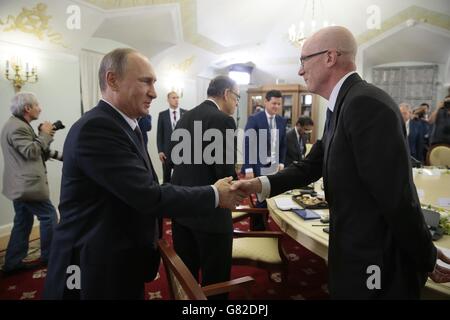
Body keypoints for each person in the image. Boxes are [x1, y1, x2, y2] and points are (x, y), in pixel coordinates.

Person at [232, 26, 450, 299]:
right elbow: (310, 166)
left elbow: (396, 197)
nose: (300, 71)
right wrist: (258, 184)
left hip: (374, 260)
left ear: (330, 57)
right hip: (351, 250)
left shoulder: (366, 104)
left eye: (303, 60)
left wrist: (426, 256)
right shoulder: (343, 105)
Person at [43, 48, 242, 300]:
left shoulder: (127, 125)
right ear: (112, 80)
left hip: (119, 260)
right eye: (145, 81)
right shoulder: (97, 127)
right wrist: (215, 194)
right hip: (93, 270)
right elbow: (148, 195)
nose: (154, 92)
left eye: (154, 82)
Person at [170, 75, 239, 299]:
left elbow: (174, 161)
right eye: (237, 97)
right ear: (227, 94)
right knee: (216, 283)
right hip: (212, 216)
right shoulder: (224, 120)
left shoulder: (184, 117)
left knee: (188, 281)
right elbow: (225, 174)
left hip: (182, 211)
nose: (236, 103)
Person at [1, 92, 58, 274]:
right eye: (37, 105)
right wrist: (44, 134)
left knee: (23, 222)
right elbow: (31, 152)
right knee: (49, 216)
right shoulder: (17, 127)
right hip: (27, 186)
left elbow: (38, 151)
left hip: (20, 185)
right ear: (27, 108)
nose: (40, 108)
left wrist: (66, 156)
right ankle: (49, 257)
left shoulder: (17, 124)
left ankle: (12, 263)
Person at [241, 90, 287, 230]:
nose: (276, 106)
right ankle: (256, 228)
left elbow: (283, 144)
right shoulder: (255, 119)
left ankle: (264, 224)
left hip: (274, 166)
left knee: (270, 197)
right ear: (266, 102)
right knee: (261, 198)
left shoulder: (281, 121)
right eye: (273, 103)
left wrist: (281, 162)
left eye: (279, 104)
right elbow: (248, 144)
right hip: (258, 165)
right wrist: (248, 167)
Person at [157, 92, 186, 183]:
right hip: (167, 152)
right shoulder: (162, 115)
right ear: (168, 100)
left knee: (182, 176)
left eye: (177, 97)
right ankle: (166, 196)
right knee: (166, 177)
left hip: (182, 151)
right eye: (173, 98)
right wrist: (160, 151)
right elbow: (160, 134)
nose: (176, 100)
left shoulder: (186, 113)